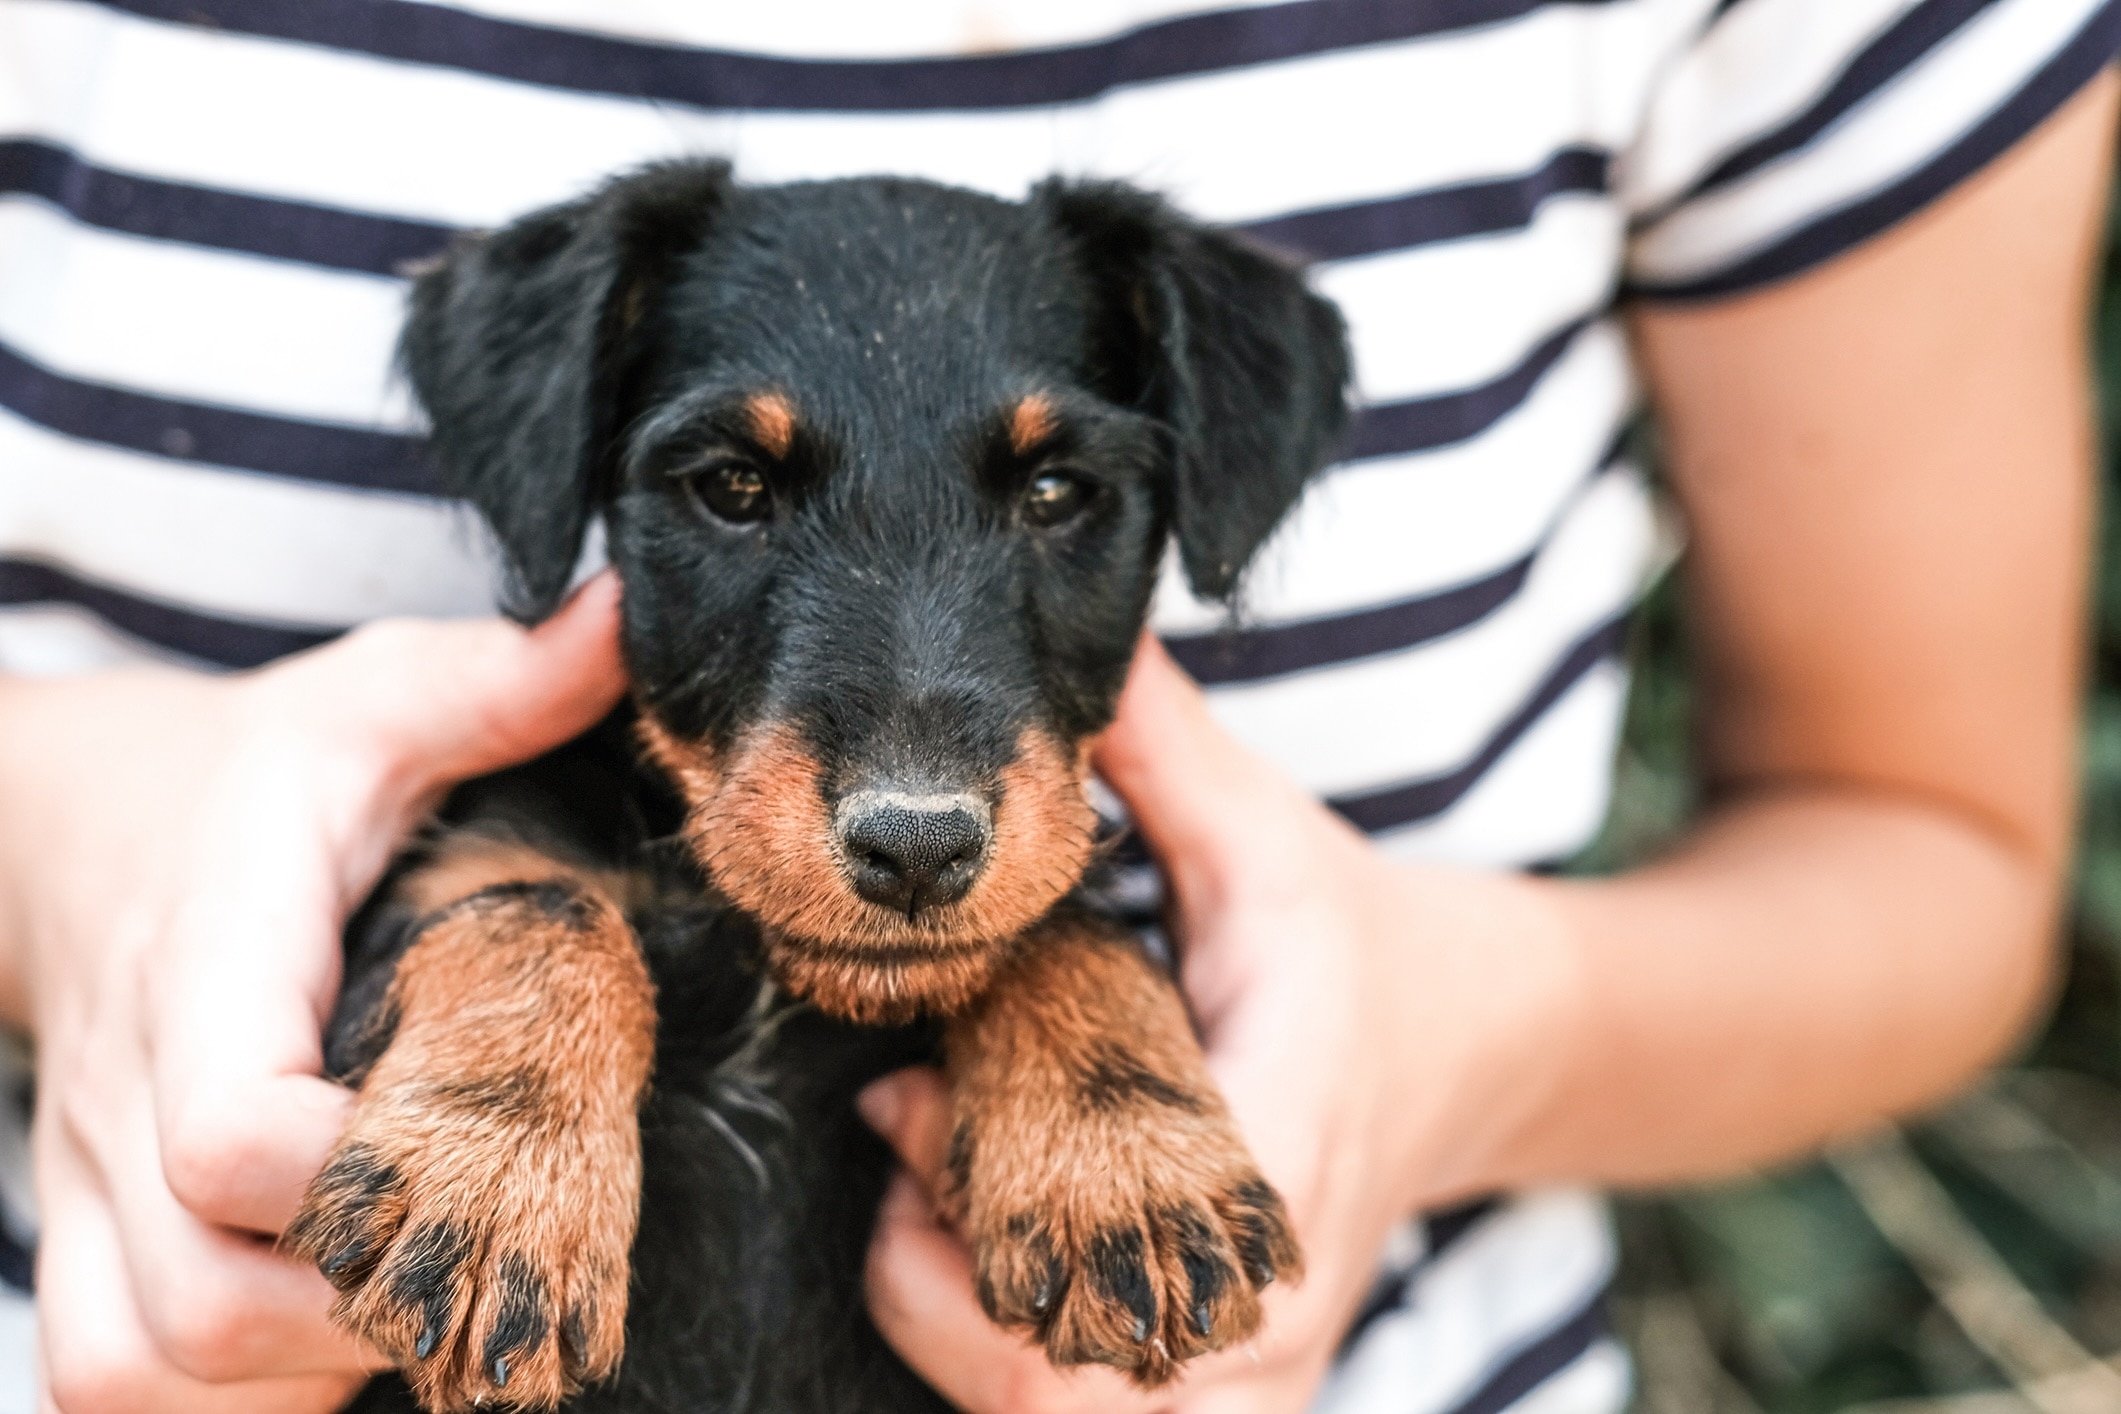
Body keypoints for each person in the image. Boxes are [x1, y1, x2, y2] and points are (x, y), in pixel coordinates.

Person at [0, 1, 2114, 1410]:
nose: (910, 775)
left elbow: (1924, 839)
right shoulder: (535, 875)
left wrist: (1403, 1032)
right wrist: (74, 856)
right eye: (727, 488)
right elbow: (474, 894)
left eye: (1064, 492)